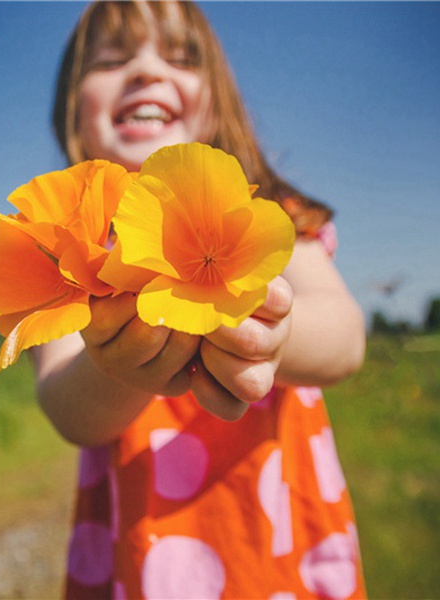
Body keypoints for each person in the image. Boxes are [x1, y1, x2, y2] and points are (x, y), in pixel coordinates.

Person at [32, 2, 368, 598]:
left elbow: (346, 339)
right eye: (111, 59)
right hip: (144, 557)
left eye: (181, 58)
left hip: (275, 547)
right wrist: (118, 365)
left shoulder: (263, 214)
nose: (145, 71)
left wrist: (276, 335)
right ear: (72, 114)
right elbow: (67, 407)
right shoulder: (68, 247)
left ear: (217, 103)